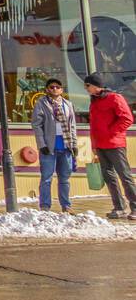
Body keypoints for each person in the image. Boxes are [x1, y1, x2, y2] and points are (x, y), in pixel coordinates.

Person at [83, 73, 136, 219]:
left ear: (95, 85)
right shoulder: (94, 101)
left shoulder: (114, 98)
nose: (85, 88)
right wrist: (94, 144)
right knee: (109, 176)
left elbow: (127, 118)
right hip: (100, 145)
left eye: (87, 85)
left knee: (124, 175)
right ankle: (119, 207)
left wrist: (111, 133)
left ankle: (135, 206)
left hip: (115, 143)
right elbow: (93, 125)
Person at [31, 79, 77, 213]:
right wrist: (42, 144)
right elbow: (36, 125)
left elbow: (72, 126)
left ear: (62, 90)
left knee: (64, 178)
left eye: (58, 87)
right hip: (49, 147)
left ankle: (66, 205)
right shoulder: (41, 104)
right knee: (46, 177)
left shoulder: (67, 104)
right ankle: (45, 206)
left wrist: (74, 144)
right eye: (52, 87)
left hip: (66, 146)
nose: (55, 89)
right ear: (47, 89)